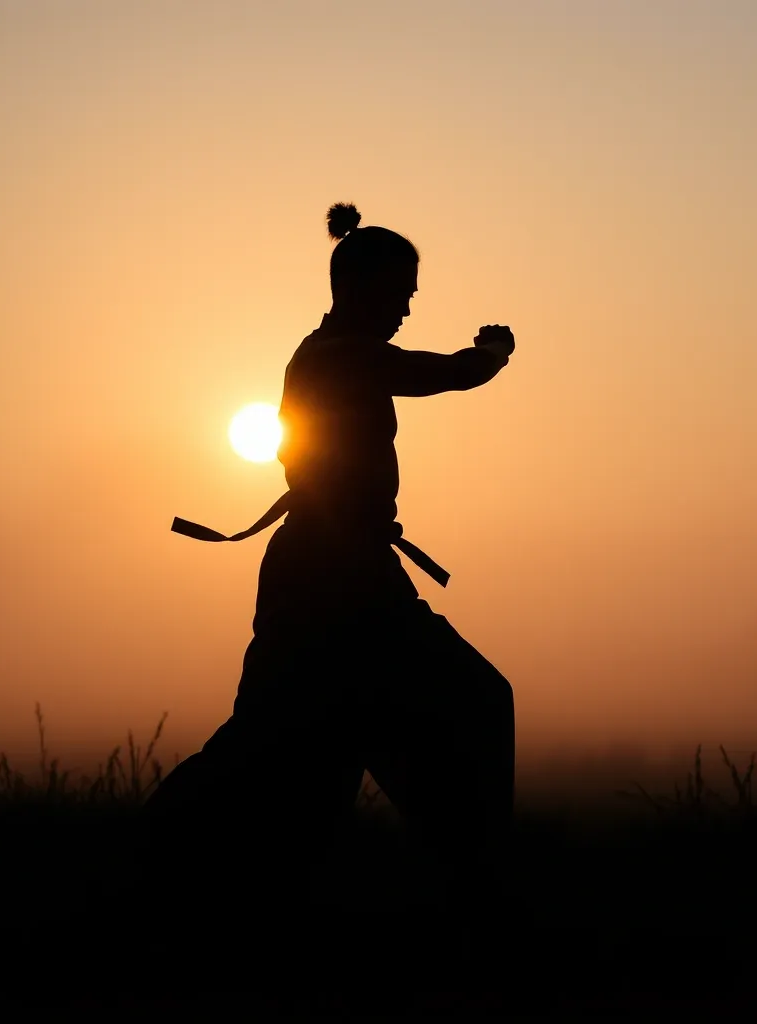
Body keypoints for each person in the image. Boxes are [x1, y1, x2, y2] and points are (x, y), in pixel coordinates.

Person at [148, 203, 517, 924]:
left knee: (306, 742)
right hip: (335, 576)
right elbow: (446, 374)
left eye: (411, 294)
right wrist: (493, 354)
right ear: (354, 287)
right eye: (399, 292)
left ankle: (455, 882)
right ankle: (475, 889)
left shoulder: (326, 354)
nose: (407, 309)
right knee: (461, 703)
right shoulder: (340, 357)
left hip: (337, 570)